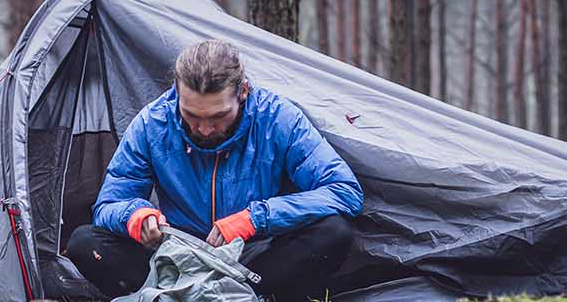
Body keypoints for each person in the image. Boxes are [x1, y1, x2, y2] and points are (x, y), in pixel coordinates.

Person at [65, 40, 364, 301]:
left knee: (334, 232)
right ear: (177, 94)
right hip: (175, 259)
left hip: (252, 259)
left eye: (219, 116)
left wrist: (255, 219)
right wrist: (136, 217)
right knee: (84, 242)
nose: (205, 129)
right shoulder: (152, 123)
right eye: (192, 115)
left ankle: (249, 296)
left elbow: (344, 191)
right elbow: (109, 204)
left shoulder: (279, 119)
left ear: (243, 91)